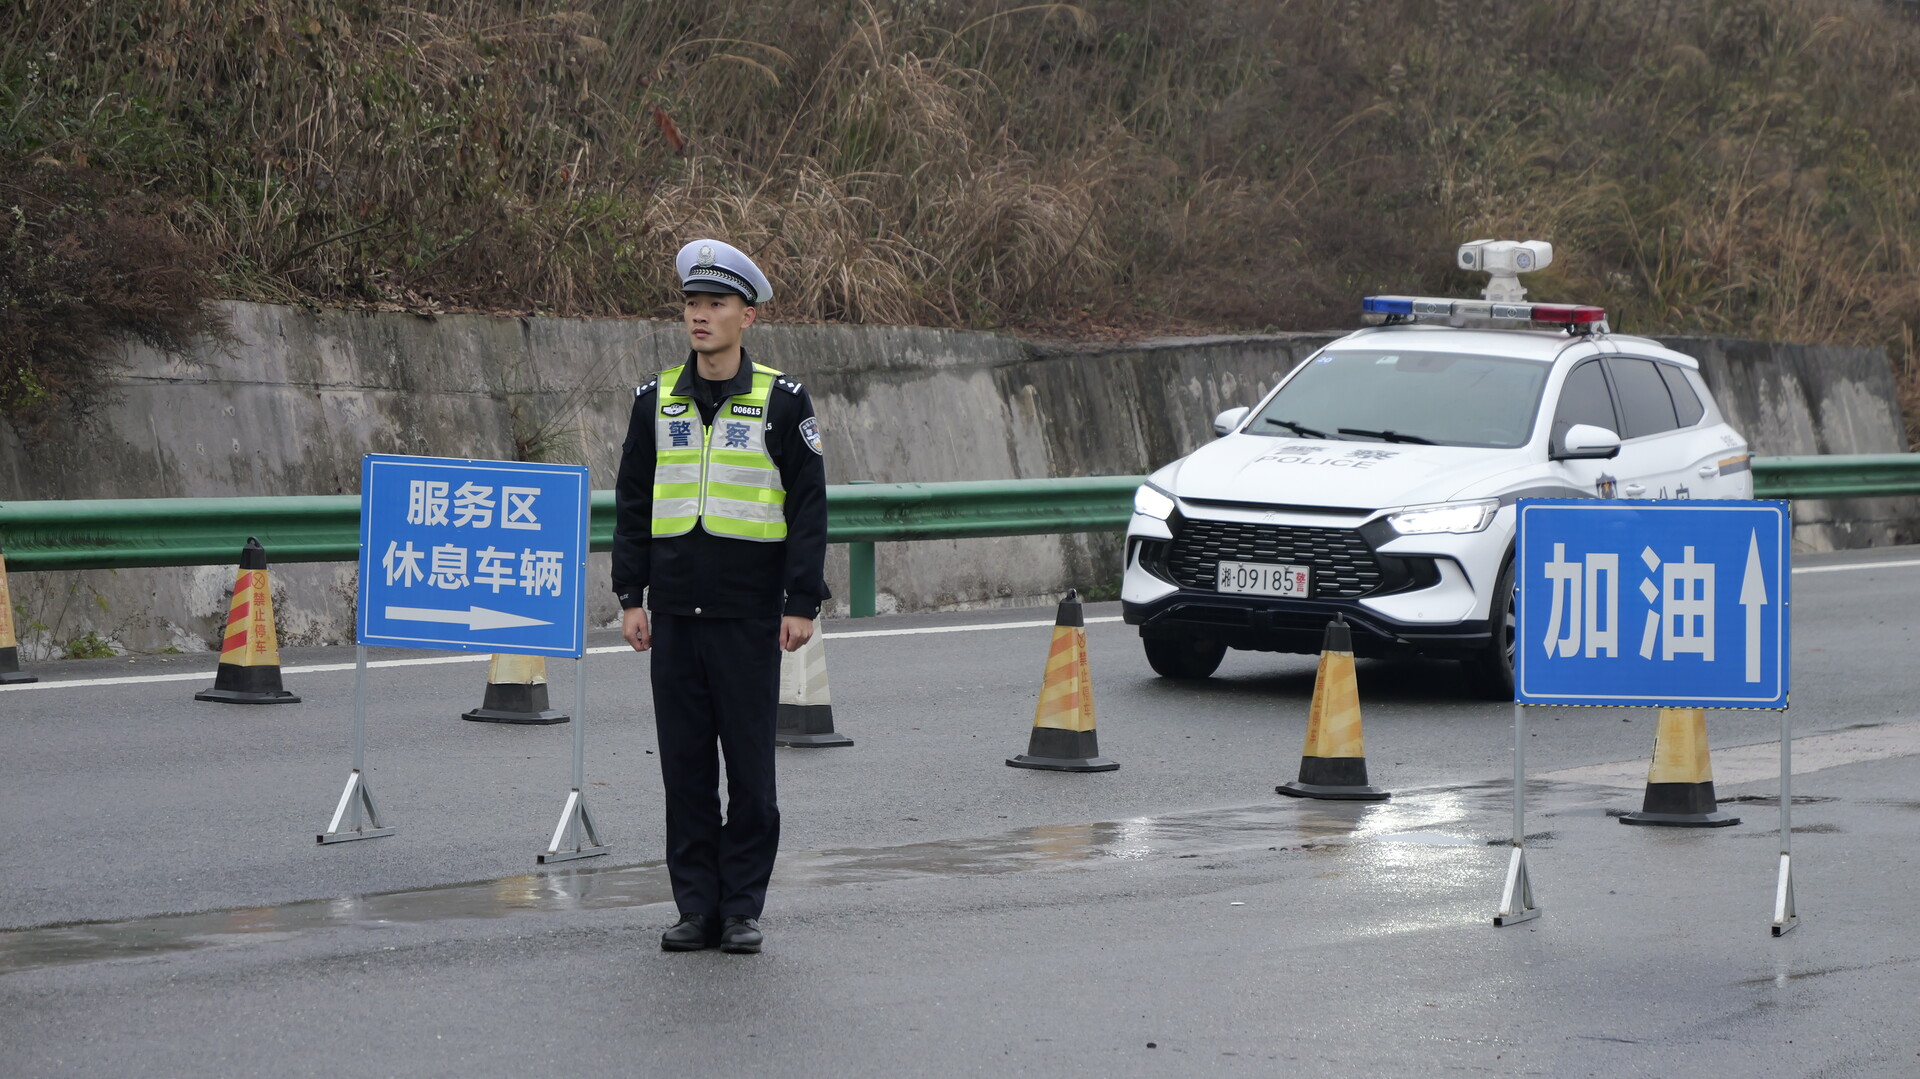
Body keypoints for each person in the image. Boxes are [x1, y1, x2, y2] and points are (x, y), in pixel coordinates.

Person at [612, 239, 829, 955]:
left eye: (716, 305)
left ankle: (741, 907)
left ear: (749, 315)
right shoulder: (655, 401)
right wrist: (629, 594)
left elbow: (807, 505)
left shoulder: (781, 400)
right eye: (692, 304)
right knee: (686, 772)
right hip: (673, 616)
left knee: (751, 775)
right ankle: (695, 906)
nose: (700, 317)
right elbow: (633, 500)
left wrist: (802, 600)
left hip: (747, 616)